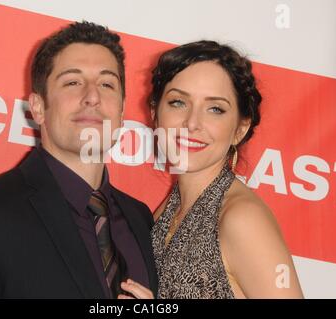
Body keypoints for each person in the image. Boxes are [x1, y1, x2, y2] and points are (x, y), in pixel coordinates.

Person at [0, 21, 158, 298]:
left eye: (107, 84)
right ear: (37, 107)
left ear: (121, 109)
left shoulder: (140, 218)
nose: (92, 96)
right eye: (73, 82)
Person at [119, 40, 303, 299]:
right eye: (178, 102)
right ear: (155, 112)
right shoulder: (169, 209)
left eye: (215, 109)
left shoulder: (242, 219)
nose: (192, 123)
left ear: (240, 129)